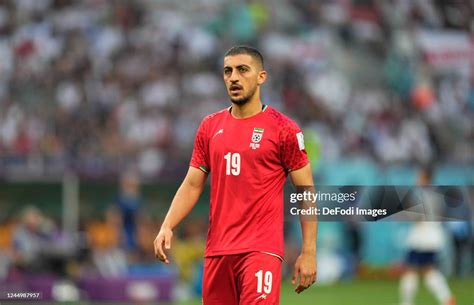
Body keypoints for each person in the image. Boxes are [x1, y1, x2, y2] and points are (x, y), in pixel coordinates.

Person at [154, 45, 317, 305]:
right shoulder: (210, 127)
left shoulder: (284, 129)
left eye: (242, 70)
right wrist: (167, 225)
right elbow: (193, 183)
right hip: (218, 252)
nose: (234, 77)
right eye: (228, 71)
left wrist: (308, 251)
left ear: (261, 77)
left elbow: (305, 192)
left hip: (260, 250)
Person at [399, 165, 456, 305]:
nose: (416, 179)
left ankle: (407, 302)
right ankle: (447, 299)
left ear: (425, 178)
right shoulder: (437, 193)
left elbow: (418, 216)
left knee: (411, 268)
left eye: (419, 176)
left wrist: (405, 212)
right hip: (433, 235)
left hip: (422, 236)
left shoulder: (422, 194)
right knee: (428, 269)